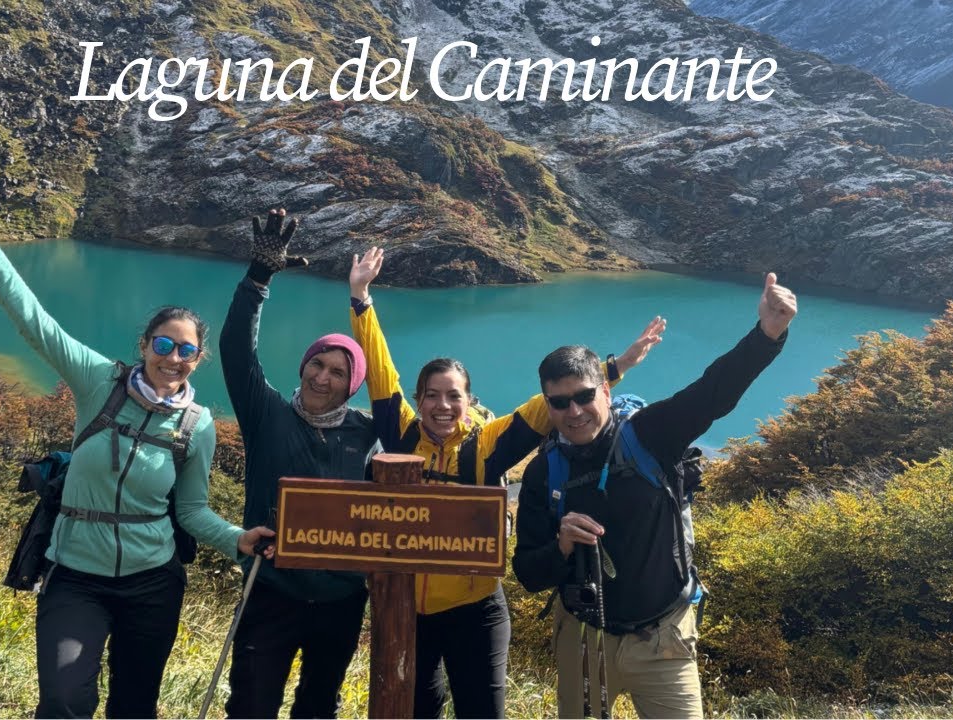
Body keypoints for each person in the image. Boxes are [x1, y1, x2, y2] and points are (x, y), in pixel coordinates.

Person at [0, 178, 275, 719]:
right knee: (65, 698)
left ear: (198, 359)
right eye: (163, 344)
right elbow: (37, 326)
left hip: (153, 583)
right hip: (75, 574)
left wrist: (239, 539)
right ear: (144, 345)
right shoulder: (101, 383)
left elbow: (190, 510)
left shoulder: (196, 424)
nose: (172, 357)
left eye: (185, 350)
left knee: (134, 707)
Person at [346, 246, 666, 718]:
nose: (441, 405)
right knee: (418, 708)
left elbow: (554, 405)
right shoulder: (401, 430)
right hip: (407, 609)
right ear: (416, 398)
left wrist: (617, 367)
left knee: (483, 712)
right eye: (431, 395)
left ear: (468, 399)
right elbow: (379, 364)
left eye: (453, 396)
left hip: (476, 608)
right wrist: (361, 298)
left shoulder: (485, 444)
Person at [512, 272, 798, 719]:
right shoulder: (543, 470)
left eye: (585, 396)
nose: (574, 411)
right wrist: (562, 546)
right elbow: (528, 572)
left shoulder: (648, 436)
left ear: (606, 389)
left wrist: (767, 335)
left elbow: (711, 394)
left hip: (663, 637)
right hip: (584, 641)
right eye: (559, 402)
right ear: (547, 405)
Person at [219, 208, 382, 719]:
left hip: (340, 598)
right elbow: (235, 351)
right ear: (303, 365)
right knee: (251, 702)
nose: (322, 377)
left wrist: (364, 302)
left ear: (352, 383)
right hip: (270, 588)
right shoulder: (267, 413)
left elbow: (397, 394)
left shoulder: (369, 433)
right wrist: (258, 278)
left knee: (318, 707)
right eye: (316, 364)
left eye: (338, 371)